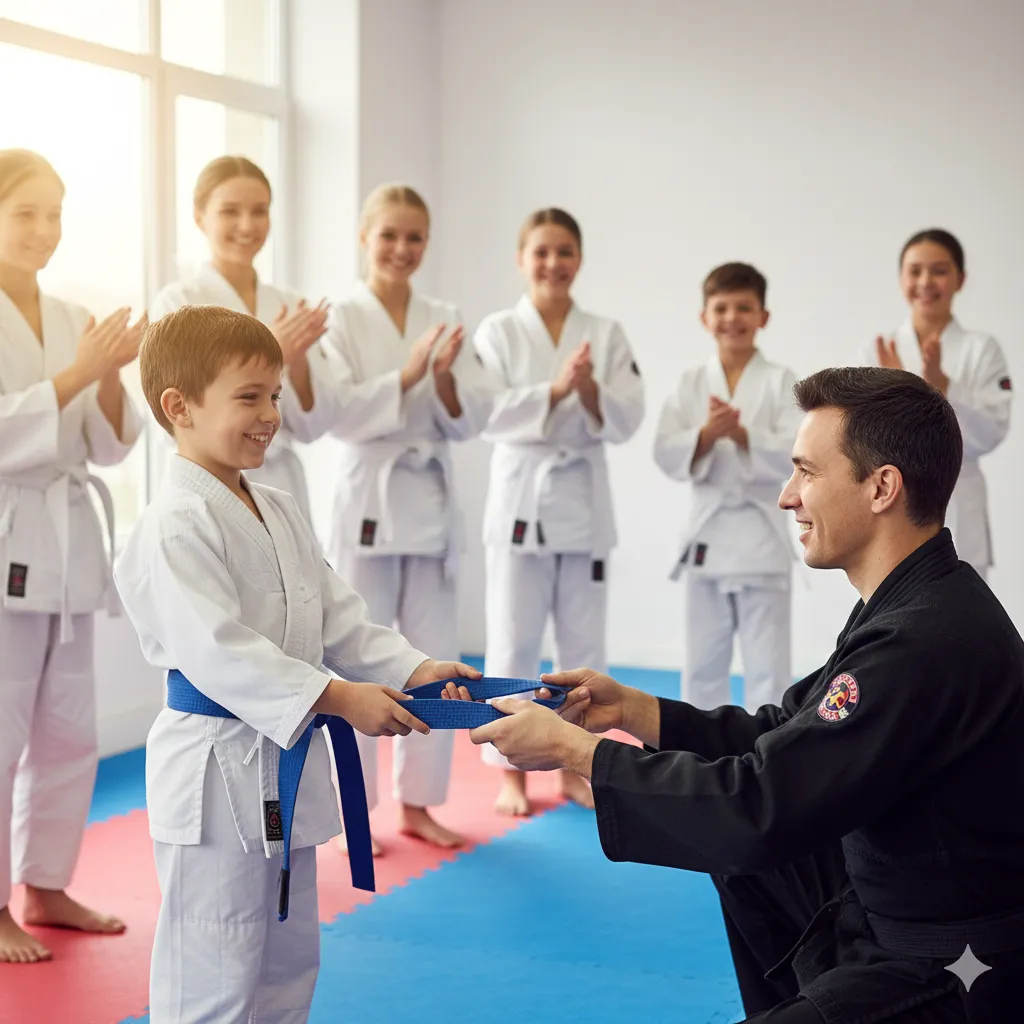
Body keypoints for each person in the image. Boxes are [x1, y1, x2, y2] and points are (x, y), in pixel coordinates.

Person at [472, 367, 1024, 1022]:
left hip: (958, 967)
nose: (788, 497)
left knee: (740, 831)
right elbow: (786, 731)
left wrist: (579, 753)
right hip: (894, 902)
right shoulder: (915, 598)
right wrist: (630, 710)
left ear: (881, 487)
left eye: (807, 473)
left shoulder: (922, 639)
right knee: (741, 855)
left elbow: (759, 805)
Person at [114, 304, 477, 1023]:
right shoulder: (172, 524)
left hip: (284, 758)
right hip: (215, 777)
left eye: (275, 395)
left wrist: (413, 668)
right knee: (212, 971)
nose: (270, 414)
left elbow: (337, 614)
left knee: (286, 963)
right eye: (248, 396)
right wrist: (339, 698)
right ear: (178, 407)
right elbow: (218, 651)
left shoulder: (276, 505)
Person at [0, 149, 145, 964]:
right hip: (7, 538)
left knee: (67, 729)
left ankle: (47, 884)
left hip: (66, 545)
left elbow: (106, 444)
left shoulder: (66, 315)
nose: (44, 230)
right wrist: (78, 374)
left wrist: (111, 376)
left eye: (55, 214)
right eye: (26, 213)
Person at [321, 183, 493, 851]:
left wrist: (443, 379)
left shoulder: (444, 313)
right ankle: (352, 811)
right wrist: (407, 374)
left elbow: (474, 413)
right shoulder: (341, 317)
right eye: (388, 235)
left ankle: (420, 804)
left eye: (414, 237)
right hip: (369, 492)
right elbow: (331, 411)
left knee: (430, 660)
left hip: (425, 497)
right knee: (357, 660)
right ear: (365, 237)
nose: (401, 248)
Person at [474, 207, 645, 816]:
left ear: (579, 259)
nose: (553, 263)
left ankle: (576, 763)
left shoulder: (606, 332)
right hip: (522, 499)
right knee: (513, 640)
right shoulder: (497, 332)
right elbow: (484, 412)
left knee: (581, 644)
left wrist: (589, 389)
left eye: (564, 251)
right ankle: (509, 771)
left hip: (582, 503)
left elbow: (628, 416)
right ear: (522, 259)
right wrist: (554, 391)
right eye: (541, 252)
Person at [150, 155, 335, 523]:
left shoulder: (289, 305)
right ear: (200, 216)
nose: (247, 225)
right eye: (230, 212)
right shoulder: (178, 302)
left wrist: (295, 361)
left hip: (281, 485)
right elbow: (177, 414)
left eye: (259, 211)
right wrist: (272, 355)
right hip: (210, 488)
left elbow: (313, 425)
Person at [654, 262, 800, 711]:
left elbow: (801, 451)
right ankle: (698, 758)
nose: (732, 317)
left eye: (744, 307)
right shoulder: (691, 383)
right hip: (709, 540)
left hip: (762, 542)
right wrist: (704, 435)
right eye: (721, 308)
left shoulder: (781, 381)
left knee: (768, 667)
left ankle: (771, 757)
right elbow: (664, 450)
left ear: (763, 316)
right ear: (704, 317)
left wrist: (742, 436)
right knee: (702, 664)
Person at [862, 228, 1011, 578]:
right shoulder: (877, 350)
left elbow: (991, 432)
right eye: (915, 271)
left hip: (960, 507)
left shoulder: (982, 349)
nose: (926, 281)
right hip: (891, 506)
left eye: (939, 271)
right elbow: (860, 438)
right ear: (901, 279)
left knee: (964, 626)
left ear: (960, 279)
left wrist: (944, 387)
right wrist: (902, 392)